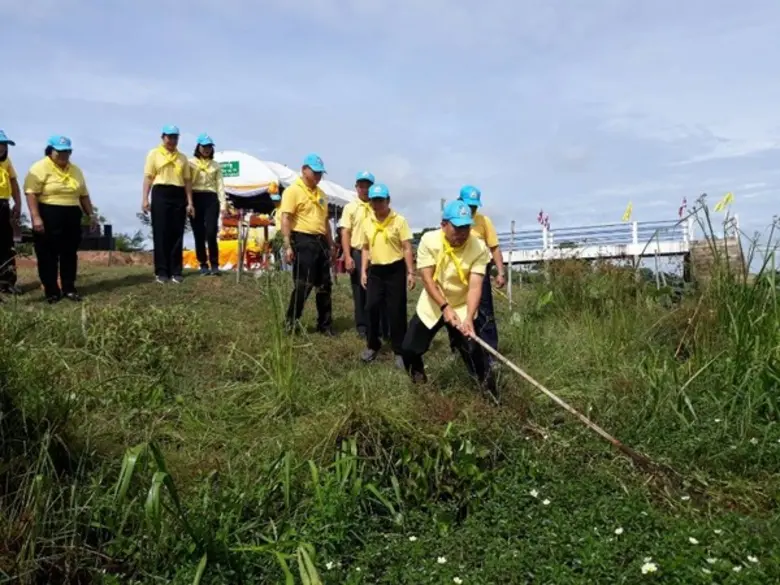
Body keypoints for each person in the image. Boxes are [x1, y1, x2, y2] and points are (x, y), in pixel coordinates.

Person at [401, 199, 497, 397]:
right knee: (409, 349)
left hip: (463, 304)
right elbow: (427, 279)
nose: (462, 234)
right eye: (457, 228)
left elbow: (475, 286)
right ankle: (421, 388)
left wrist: (469, 317)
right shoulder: (429, 241)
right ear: (444, 225)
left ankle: (491, 398)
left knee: (474, 352)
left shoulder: (478, 248)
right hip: (433, 302)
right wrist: (444, 307)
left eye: (466, 228)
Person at [23, 135, 98, 303]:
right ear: (50, 151)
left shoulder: (76, 170)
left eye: (67, 152)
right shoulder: (40, 167)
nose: (64, 155)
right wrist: (36, 218)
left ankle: (69, 287)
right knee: (47, 254)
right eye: (60, 152)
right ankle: (51, 291)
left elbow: (84, 195)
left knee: (69, 253)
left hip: (71, 212)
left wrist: (91, 215)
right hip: (49, 211)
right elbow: (31, 193)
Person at [359, 183, 415, 367]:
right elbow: (366, 248)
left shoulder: (399, 221)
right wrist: (363, 271)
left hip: (395, 269)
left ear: (388, 200)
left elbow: (407, 248)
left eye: (380, 201)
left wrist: (410, 272)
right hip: (376, 271)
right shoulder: (367, 221)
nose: (377, 205)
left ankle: (399, 349)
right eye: (374, 201)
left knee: (396, 310)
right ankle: (372, 344)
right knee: (371, 306)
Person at [280, 153, 335, 335]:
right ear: (304, 170)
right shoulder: (293, 191)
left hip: (321, 242)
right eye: (315, 172)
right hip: (303, 239)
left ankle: (325, 325)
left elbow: (325, 221)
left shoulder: (322, 194)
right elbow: (286, 218)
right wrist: (288, 245)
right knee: (304, 284)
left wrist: (331, 244)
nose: (318, 177)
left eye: (320, 173)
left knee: (324, 285)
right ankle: (291, 322)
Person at [339, 171, 390, 340]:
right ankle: (362, 325)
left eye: (368, 186)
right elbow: (345, 232)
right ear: (356, 187)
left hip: (378, 254)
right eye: (362, 185)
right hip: (359, 252)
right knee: (360, 290)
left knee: (378, 291)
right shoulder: (350, 208)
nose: (365, 189)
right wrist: (347, 256)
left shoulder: (378, 206)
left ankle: (381, 326)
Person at [142, 125, 194, 284]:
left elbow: (187, 181)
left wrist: (190, 202)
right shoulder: (154, 154)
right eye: (169, 137)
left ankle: (176, 270)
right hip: (160, 192)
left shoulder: (183, 158)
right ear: (163, 137)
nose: (172, 140)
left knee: (177, 233)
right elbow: (148, 177)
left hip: (178, 193)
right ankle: (162, 271)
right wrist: (145, 198)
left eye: (175, 137)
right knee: (161, 232)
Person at [458, 185, 506, 354]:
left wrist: (500, 272)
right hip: (457, 271)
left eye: (474, 206)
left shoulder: (484, 221)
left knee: (484, 309)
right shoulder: (452, 219)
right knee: (459, 309)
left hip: (479, 270)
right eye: (468, 205)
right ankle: (461, 350)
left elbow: (494, 247)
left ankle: (490, 351)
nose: (471, 209)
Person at [189, 133, 226, 276]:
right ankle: (202, 263)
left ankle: (215, 264)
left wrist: (223, 205)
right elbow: (187, 182)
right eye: (204, 146)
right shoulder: (190, 163)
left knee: (211, 232)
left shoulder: (215, 165)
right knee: (198, 232)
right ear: (198, 147)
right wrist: (188, 202)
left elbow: (220, 185)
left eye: (209, 146)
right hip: (195, 197)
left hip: (211, 198)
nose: (207, 149)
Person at [0, 129, 22, 298]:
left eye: (4, 145)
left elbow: (13, 182)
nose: (2, 148)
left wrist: (18, 203)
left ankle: (7, 283)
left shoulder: (7, 162)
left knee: (6, 245)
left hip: (3, 205)